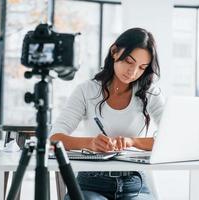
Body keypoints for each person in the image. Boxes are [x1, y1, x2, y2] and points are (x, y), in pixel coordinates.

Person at [50, 27, 164, 200]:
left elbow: (171, 140)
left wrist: (132, 141)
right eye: (129, 61)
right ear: (114, 52)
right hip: (91, 182)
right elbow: (55, 138)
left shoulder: (150, 92)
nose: (133, 72)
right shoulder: (86, 91)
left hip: (136, 183)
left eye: (142, 67)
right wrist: (90, 143)